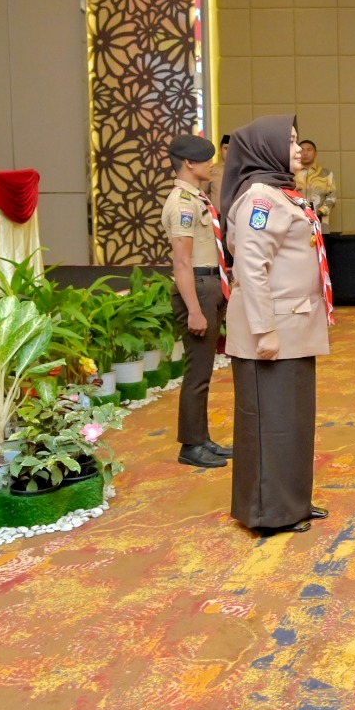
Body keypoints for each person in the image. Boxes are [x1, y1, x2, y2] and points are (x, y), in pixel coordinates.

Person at [221, 115, 334, 536]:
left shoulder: (283, 194)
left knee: (293, 421)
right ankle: (269, 513)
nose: (298, 149)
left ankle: (292, 502)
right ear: (266, 149)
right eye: (288, 142)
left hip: (295, 327)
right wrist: (264, 328)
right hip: (274, 330)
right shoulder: (261, 200)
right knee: (270, 423)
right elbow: (251, 267)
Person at [161, 134, 233, 470]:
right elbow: (181, 262)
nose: (211, 165)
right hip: (198, 288)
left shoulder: (197, 197)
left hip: (210, 283)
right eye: (206, 160)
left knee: (203, 372)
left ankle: (201, 438)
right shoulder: (182, 203)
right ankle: (191, 445)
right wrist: (193, 309)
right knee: (197, 373)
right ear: (190, 163)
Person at [294, 139, 337, 232]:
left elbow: (332, 197)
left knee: (321, 245)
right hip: (296, 221)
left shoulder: (326, 173)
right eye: (302, 150)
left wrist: (320, 212)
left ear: (315, 153)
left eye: (309, 150)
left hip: (321, 221)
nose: (305, 153)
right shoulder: (291, 174)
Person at [207, 134, 229, 209]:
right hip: (216, 215)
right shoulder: (211, 169)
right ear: (220, 149)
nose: (229, 152)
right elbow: (204, 192)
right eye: (226, 148)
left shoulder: (240, 170)